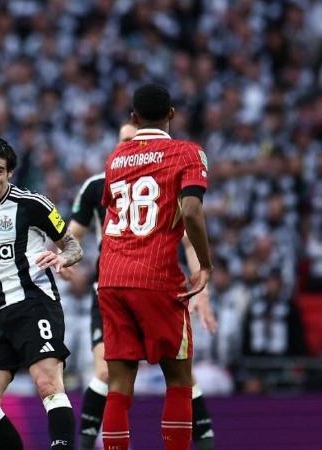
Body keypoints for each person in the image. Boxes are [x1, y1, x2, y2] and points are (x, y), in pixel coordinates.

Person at [68, 123, 217, 450]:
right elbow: (72, 235)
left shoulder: (124, 166)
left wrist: (201, 287)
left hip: (116, 281)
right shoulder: (101, 182)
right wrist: (66, 259)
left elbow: (189, 242)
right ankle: (85, 442)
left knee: (131, 380)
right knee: (163, 376)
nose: (134, 148)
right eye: (125, 142)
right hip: (145, 282)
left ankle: (205, 440)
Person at [0, 137, 83, 450]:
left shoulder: (33, 205)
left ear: (9, 173)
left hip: (33, 305)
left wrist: (62, 259)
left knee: (48, 384)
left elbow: (74, 245)